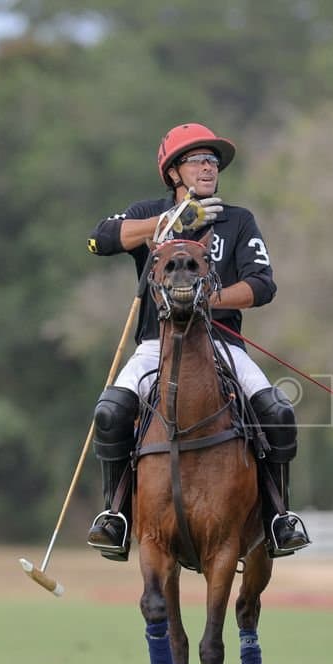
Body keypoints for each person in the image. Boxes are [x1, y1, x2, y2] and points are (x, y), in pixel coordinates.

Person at [84, 122, 311, 561]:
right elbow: (98, 240)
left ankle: (279, 516)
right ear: (173, 173)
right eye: (197, 161)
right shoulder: (148, 212)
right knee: (111, 411)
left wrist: (210, 299)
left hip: (220, 344)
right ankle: (115, 515)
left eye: (213, 161)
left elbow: (262, 285)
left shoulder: (238, 220)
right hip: (157, 345)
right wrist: (168, 222)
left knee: (278, 411)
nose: (208, 168)